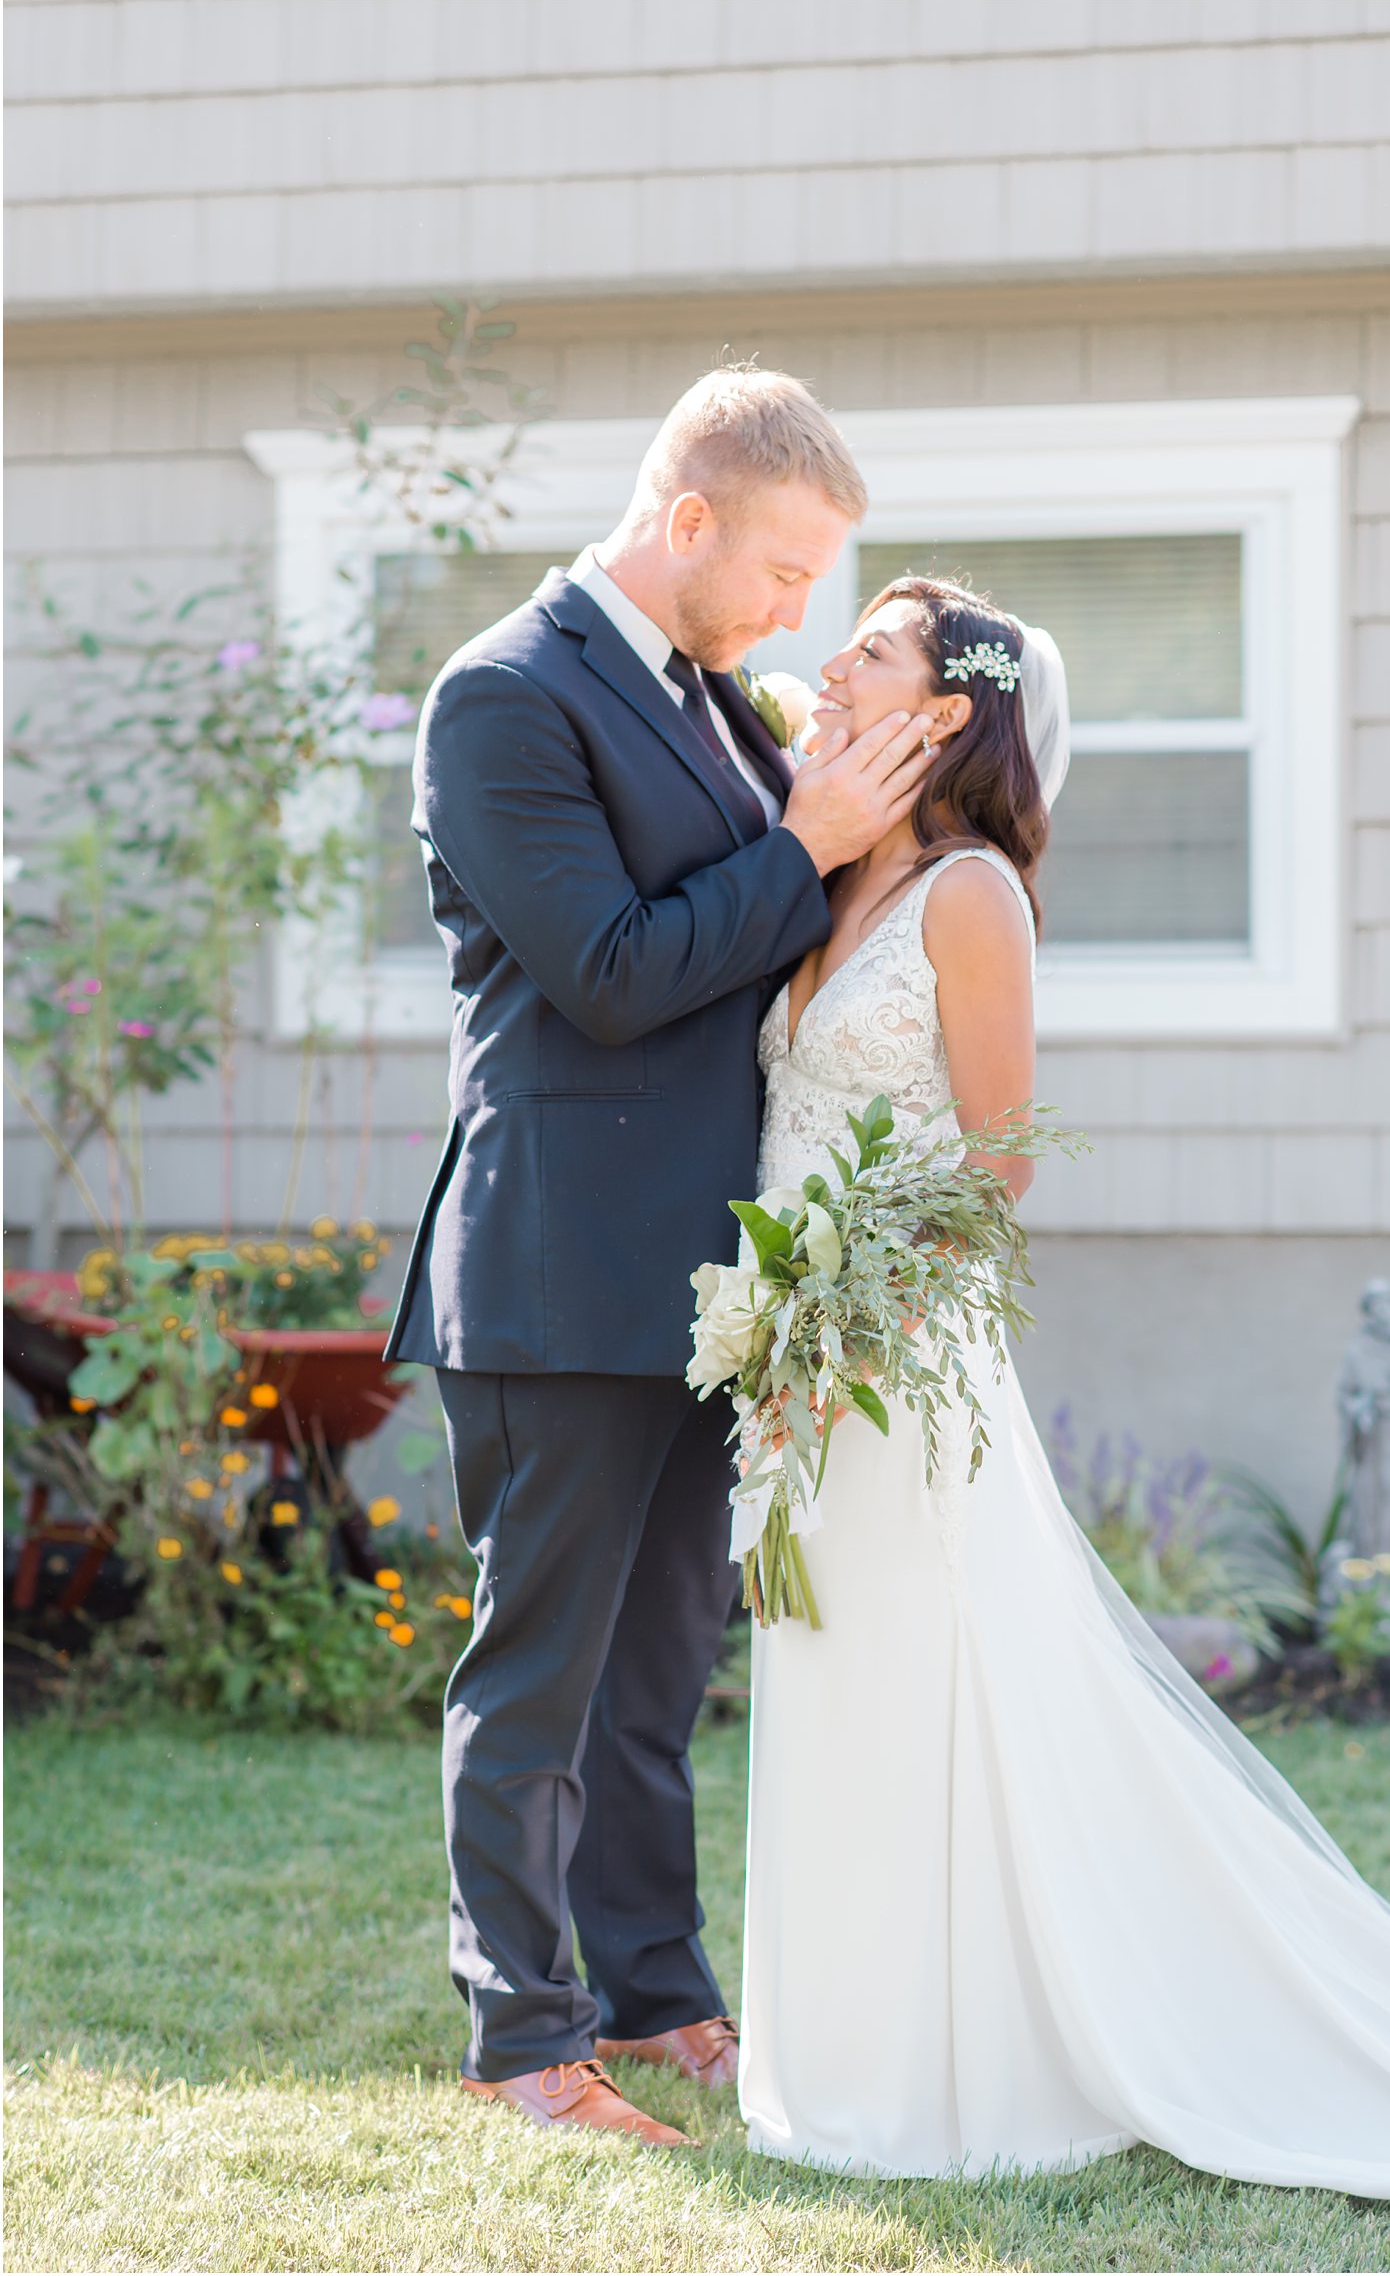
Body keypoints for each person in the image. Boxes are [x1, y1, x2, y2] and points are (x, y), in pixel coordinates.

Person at [738, 575, 1390, 2235]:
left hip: (898, 1364)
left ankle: (963, 2067)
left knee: (936, 1693)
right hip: (791, 1360)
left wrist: (850, 1330)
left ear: (946, 711)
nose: (832, 658)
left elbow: (1001, 1159)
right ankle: (846, 2052)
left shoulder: (968, 896)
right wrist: (777, 1339)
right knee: (829, 1684)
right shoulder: (817, 868)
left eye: (869, 645)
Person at [384, 368, 940, 2145]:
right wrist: (804, 843)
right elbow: (612, 969)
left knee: (656, 1675)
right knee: (538, 1673)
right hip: (556, 1264)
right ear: (686, 520)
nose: (801, 614)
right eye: (785, 569)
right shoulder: (502, 698)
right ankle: (521, 2046)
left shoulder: (719, 698)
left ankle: (658, 1997)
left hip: (715, 1272)